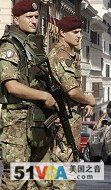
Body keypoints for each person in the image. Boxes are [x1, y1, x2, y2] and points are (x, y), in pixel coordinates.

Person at [0, 0, 58, 189]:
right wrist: (44, 96)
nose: (34, 21)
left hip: (38, 121)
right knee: (17, 179)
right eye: (29, 17)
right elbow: (12, 86)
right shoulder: (9, 47)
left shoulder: (34, 46)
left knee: (41, 179)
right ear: (16, 19)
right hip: (17, 122)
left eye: (36, 17)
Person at [48, 16, 96, 189]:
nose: (79, 36)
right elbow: (72, 91)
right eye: (75, 32)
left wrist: (84, 103)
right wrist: (89, 99)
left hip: (71, 120)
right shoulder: (61, 56)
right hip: (63, 122)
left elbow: (74, 89)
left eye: (80, 32)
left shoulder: (69, 54)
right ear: (62, 33)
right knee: (63, 172)